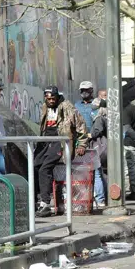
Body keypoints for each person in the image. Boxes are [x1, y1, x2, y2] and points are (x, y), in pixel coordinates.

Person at [35, 87, 89, 216]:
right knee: (34, 166)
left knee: (45, 168)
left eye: (53, 98)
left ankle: (46, 204)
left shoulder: (67, 106)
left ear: (57, 97)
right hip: (45, 141)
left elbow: (81, 125)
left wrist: (82, 144)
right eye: (48, 99)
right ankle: (36, 201)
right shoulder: (44, 107)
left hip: (60, 142)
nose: (51, 101)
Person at [74, 81, 106, 207]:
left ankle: (100, 199)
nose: (84, 92)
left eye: (87, 90)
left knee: (97, 171)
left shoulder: (98, 104)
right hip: (80, 142)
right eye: (82, 90)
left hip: (94, 142)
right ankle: (81, 199)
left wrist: (91, 135)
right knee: (79, 172)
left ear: (91, 91)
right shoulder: (77, 105)